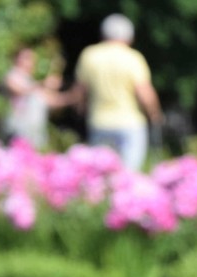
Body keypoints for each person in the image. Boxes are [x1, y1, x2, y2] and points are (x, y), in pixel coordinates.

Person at [69, 13, 163, 171]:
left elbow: (79, 92)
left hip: (98, 121)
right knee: (129, 175)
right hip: (130, 123)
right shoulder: (133, 58)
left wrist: (78, 111)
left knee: (99, 176)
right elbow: (144, 93)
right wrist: (154, 114)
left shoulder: (89, 55)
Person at [1, 48, 67, 150]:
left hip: (33, 133)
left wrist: (73, 96)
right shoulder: (12, 75)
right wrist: (43, 84)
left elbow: (52, 100)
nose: (30, 62)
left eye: (32, 59)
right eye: (27, 58)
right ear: (17, 59)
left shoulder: (30, 80)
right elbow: (19, 90)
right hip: (17, 130)